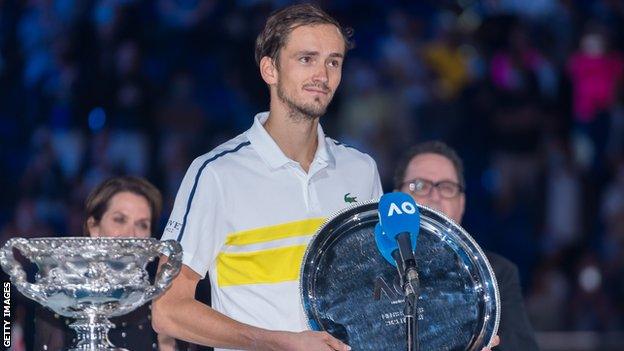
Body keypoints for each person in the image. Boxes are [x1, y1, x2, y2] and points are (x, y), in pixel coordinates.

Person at [152, 4, 384, 351]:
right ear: (269, 69)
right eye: (306, 59)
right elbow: (168, 310)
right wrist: (282, 343)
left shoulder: (360, 169)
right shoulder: (217, 173)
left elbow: (377, 295)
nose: (322, 74)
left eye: (333, 62)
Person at [394, 140, 540, 351]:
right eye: (420, 186)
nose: (434, 197)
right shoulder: (369, 270)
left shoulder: (496, 275)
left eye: (446, 187)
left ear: (462, 203)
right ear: (396, 200)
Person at [33, 176, 176, 351]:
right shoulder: (60, 297)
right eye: (120, 220)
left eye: (142, 225)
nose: (131, 235)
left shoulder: (161, 296)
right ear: (93, 226)